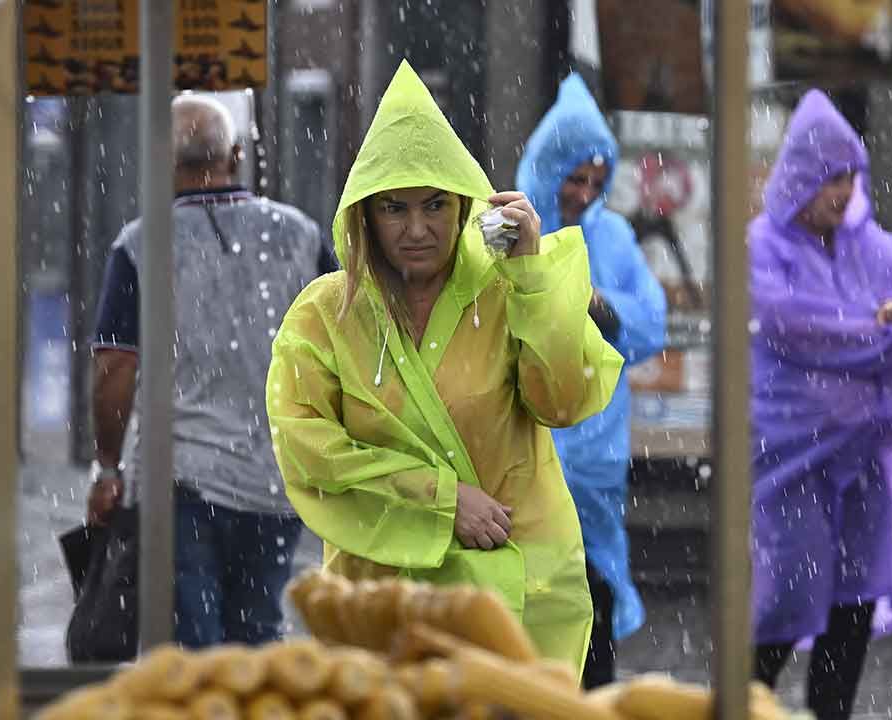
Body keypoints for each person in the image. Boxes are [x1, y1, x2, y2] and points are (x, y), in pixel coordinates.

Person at [265, 61, 624, 677]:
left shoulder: (508, 285)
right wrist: (439, 501)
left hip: (516, 599)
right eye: (393, 209)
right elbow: (307, 449)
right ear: (364, 217)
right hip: (383, 608)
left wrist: (535, 278)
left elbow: (564, 400)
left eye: (434, 205)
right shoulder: (325, 314)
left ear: (462, 206)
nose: (416, 230)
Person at [87, 94, 336, 648]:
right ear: (239, 154)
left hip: (182, 481)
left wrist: (107, 467)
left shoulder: (140, 244)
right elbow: (345, 344)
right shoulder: (299, 234)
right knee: (255, 636)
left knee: (192, 646)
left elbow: (114, 370)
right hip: (277, 479)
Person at [749, 89, 892, 720]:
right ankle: (743, 704)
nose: (843, 190)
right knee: (788, 594)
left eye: (850, 176)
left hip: (860, 455)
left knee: (855, 596)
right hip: (793, 459)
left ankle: (831, 713)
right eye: (831, 176)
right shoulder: (764, 245)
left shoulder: (864, 242)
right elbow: (792, 325)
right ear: (802, 176)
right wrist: (886, 335)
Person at [516, 74, 667, 688]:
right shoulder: (512, 230)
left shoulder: (615, 237)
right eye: (574, 177)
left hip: (596, 455)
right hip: (526, 454)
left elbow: (649, 320)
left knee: (595, 594)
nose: (583, 193)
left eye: (596, 182)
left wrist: (601, 307)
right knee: (531, 606)